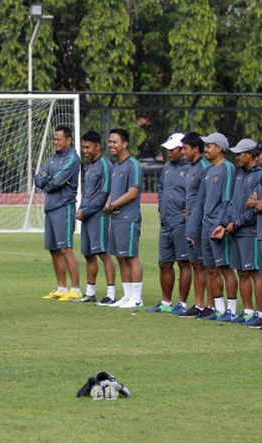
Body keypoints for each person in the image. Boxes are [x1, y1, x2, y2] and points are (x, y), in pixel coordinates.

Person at [186, 132, 237, 320]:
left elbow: (227, 200)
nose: (205, 149)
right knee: (210, 268)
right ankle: (219, 308)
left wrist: (221, 224)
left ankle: (231, 309)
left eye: (208, 146)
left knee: (224, 267)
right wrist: (191, 229)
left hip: (218, 226)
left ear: (218, 148)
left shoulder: (228, 168)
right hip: (205, 226)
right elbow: (200, 202)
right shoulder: (207, 170)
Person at [217, 138, 262, 324]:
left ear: (250, 154)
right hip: (235, 230)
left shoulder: (260, 175)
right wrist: (225, 223)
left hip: (249, 231)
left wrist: (235, 224)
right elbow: (233, 203)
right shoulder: (239, 174)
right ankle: (248, 311)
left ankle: (260, 314)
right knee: (241, 272)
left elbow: (253, 209)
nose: (237, 157)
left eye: (240, 154)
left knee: (254, 272)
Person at [146, 133, 191, 315]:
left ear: (182, 150)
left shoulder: (191, 168)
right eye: (168, 150)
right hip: (166, 222)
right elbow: (161, 188)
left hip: (181, 223)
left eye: (173, 150)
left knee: (183, 262)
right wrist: (159, 208)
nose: (169, 153)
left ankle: (182, 304)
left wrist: (189, 211)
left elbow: (195, 192)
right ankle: (165, 302)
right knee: (164, 263)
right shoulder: (166, 167)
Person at [36, 125, 81, 301]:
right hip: (51, 207)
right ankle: (62, 287)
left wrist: (46, 179)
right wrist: (46, 178)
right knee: (54, 250)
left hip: (64, 207)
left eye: (58, 139)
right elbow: (38, 178)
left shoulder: (72, 159)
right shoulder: (53, 158)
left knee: (65, 249)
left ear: (68, 140)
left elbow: (55, 182)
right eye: (54, 139)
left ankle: (76, 289)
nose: (55, 142)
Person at [103, 128, 144, 308]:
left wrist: (113, 206)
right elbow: (114, 191)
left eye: (115, 142)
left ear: (125, 144)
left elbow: (132, 192)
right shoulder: (116, 166)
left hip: (129, 218)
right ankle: (127, 296)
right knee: (120, 257)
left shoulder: (132, 164)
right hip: (116, 218)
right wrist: (108, 204)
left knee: (131, 256)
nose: (111, 145)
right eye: (110, 141)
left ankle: (137, 297)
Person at [76, 130, 116, 305]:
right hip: (87, 216)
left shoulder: (105, 165)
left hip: (98, 216)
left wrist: (85, 211)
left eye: (87, 147)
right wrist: (81, 208)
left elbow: (104, 193)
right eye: (83, 147)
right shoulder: (90, 166)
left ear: (97, 146)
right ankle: (90, 292)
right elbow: (89, 193)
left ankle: (111, 293)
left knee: (103, 253)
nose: (85, 150)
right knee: (88, 254)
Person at [178, 132, 211, 318]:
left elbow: (205, 198)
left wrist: (195, 217)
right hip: (190, 221)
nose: (183, 152)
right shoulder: (190, 167)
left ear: (196, 149)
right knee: (196, 264)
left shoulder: (204, 168)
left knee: (205, 265)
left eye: (185, 149)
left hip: (200, 223)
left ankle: (210, 304)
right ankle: (199, 305)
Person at [249, 141, 262, 329]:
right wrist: (257, 203)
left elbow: (260, 205)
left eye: (259, 154)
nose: (257, 158)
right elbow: (252, 202)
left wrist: (257, 203)